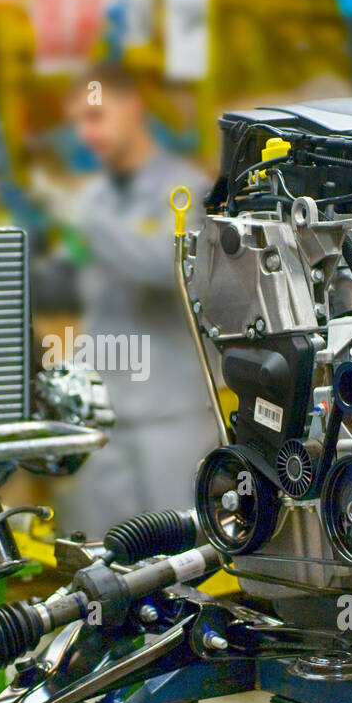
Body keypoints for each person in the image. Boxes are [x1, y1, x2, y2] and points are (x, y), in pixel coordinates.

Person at [52, 62, 217, 540]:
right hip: (105, 413)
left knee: (180, 560)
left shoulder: (185, 191)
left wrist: (86, 224)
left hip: (171, 414)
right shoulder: (96, 196)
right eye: (77, 122)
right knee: (106, 558)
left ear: (132, 107)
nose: (87, 132)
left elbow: (167, 270)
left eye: (96, 116)